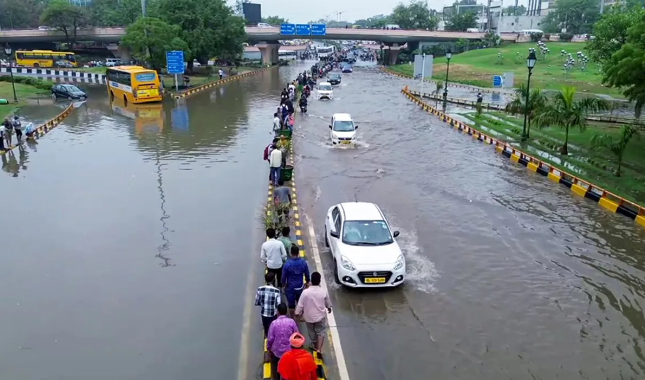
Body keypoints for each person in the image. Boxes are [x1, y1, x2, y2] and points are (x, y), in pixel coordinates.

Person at [295, 272, 331, 353]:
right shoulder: (323, 291)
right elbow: (327, 303)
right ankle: (319, 349)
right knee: (321, 331)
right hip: (320, 317)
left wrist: (297, 314)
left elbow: (300, 305)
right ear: (319, 281)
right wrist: (329, 308)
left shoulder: (305, 292)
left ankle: (314, 344)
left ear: (311, 280)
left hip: (308, 317)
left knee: (311, 332)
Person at [267, 303, 299, 367]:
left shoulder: (274, 323)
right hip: (289, 351)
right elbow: (297, 335)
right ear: (286, 312)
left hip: (277, 352)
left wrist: (269, 348)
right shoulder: (291, 322)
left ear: (278, 312)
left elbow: (270, 338)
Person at [282, 245, 310, 318]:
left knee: (291, 305)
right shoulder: (303, 263)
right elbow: (307, 273)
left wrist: (283, 285)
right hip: (300, 287)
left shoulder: (287, 264)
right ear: (298, 253)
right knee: (300, 302)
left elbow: (283, 276)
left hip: (290, 288)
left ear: (291, 253)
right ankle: (300, 316)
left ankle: (292, 317)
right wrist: (307, 282)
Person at [255, 272, 281, 337]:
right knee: (273, 327)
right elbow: (279, 304)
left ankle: (267, 336)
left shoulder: (260, 289)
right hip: (273, 314)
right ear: (273, 280)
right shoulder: (277, 291)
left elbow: (256, 302)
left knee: (266, 327)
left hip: (263, 313)